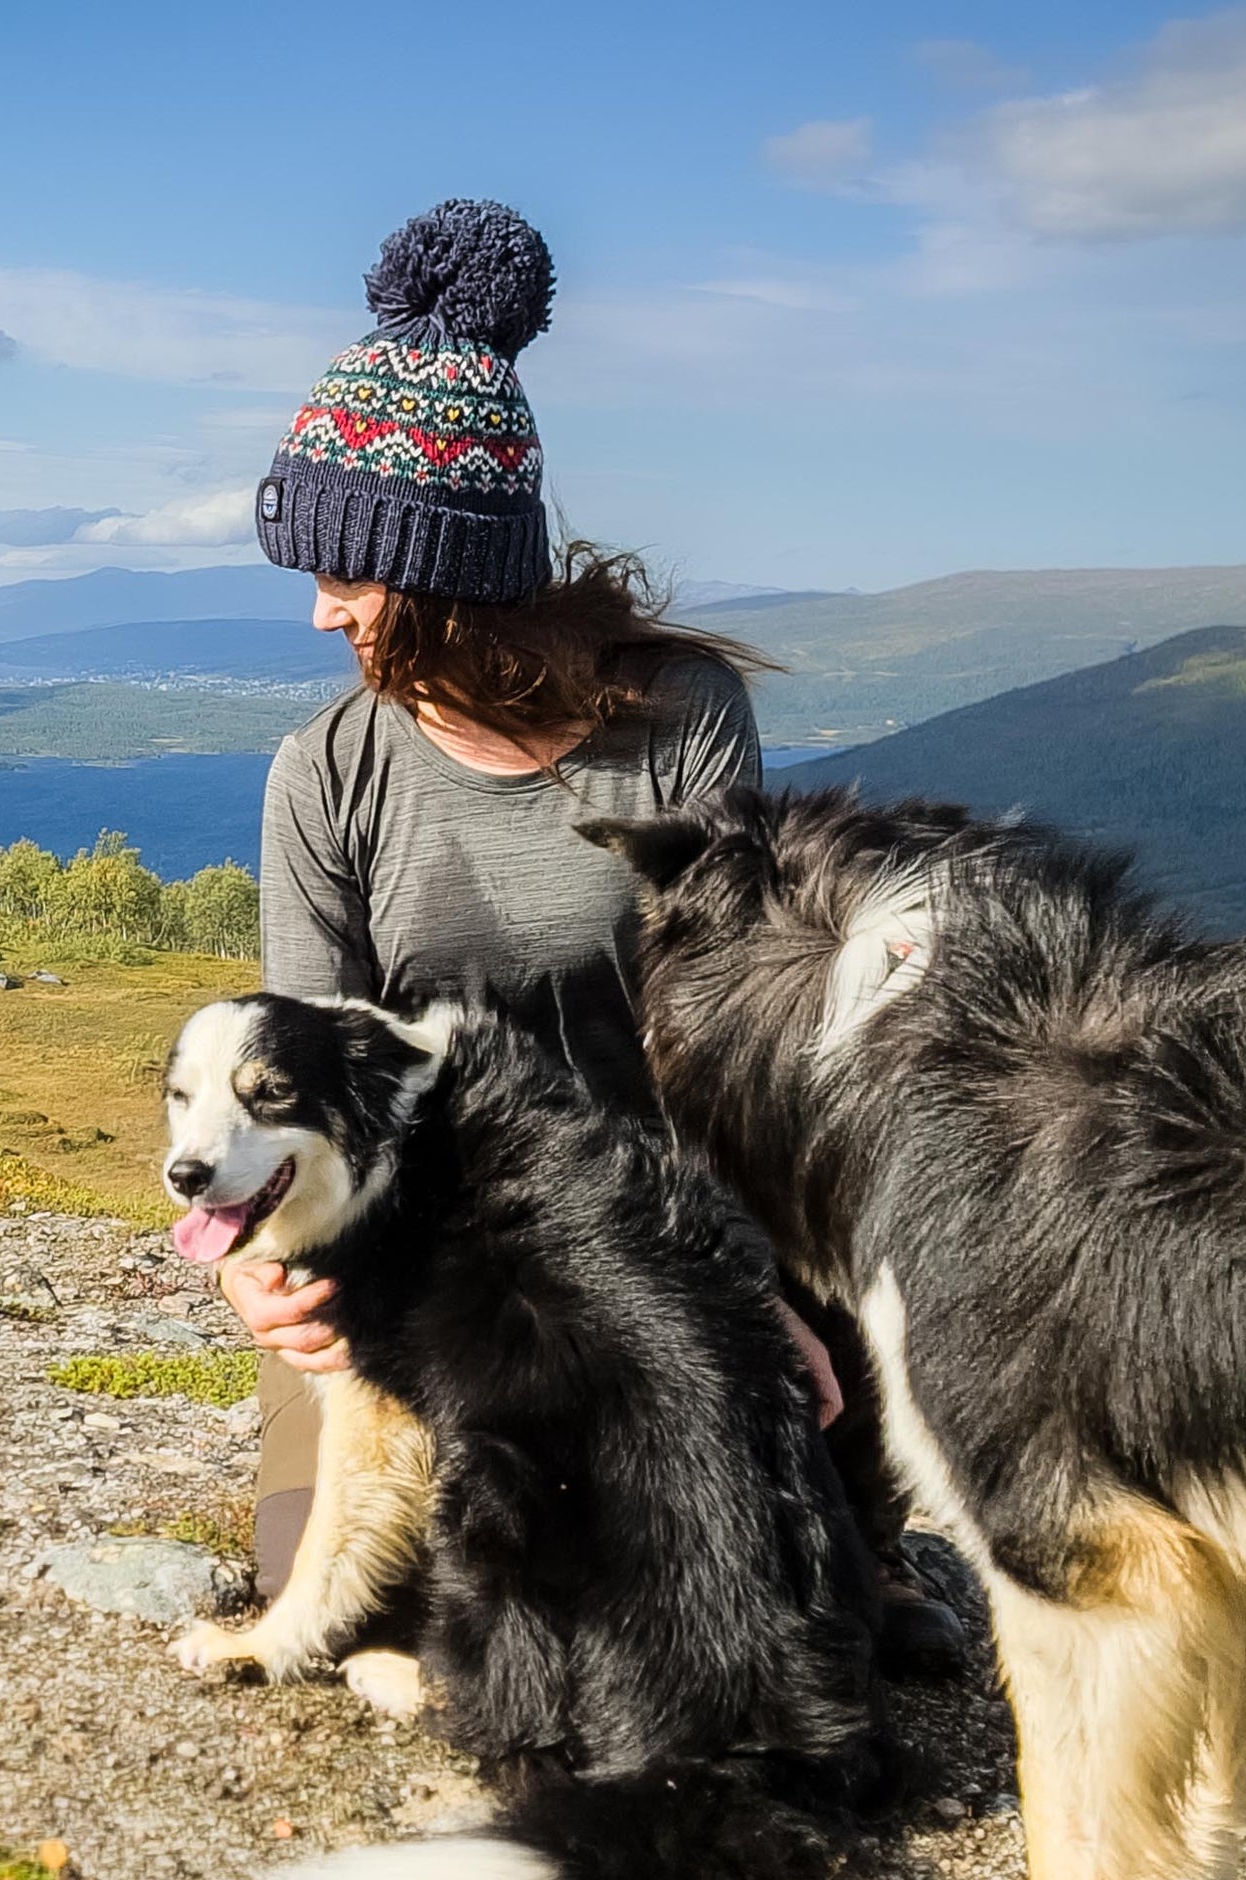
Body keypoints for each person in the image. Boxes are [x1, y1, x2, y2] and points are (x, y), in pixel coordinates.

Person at [221, 196, 958, 1669]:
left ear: (443, 580)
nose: (318, 617)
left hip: (677, 1225)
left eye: (348, 578)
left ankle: (864, 1544)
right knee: (367, 1591)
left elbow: (745, 1048)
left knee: (768, 1605)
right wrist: (264, 1260)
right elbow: (298, 1078)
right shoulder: (327, 772)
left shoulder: (677, 723)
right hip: (447, 1251)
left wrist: (742, 1291)